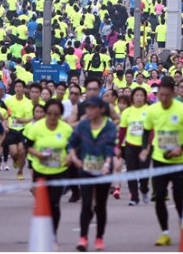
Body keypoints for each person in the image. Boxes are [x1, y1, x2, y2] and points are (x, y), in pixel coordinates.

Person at [140, 76, 183, 247]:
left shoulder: (182, 110)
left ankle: (182, 221)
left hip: (179, 160)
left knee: (178, 196)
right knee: (159, 196)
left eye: (167, 95)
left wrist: (181, 147)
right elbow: (146, 131)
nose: (164, 99)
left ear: (173, 94)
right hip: (159, 159)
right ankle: (165, 233)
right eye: (161, 95)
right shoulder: (153, 110)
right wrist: (145, 148)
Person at [68, 95, 117, 252]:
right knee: (86, 204)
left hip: (104, 171)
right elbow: (71, 143)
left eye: (92, 108)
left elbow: (110, 148)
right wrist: (74, 158)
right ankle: (83, 238)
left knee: (101, 206)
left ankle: (99, 238)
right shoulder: (82, 125)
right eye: (87, 107)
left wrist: (107, 165)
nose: (89, 110)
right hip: (86, 169)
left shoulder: (109, 127)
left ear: (101, 109)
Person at [26, 99, 74, 243]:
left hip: (59, 171)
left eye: (56, 114)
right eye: (50, 113)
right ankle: (41, 231)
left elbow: (72, 146)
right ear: (46, 113)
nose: (53, 117)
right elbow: (27, 146)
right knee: (42, 203)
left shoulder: (66, 129)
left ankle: (53, 232)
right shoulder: (37, 128)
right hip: (40, 170)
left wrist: (71, 156)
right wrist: (37, 154)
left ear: (60, 114)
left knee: (54, 202)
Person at [117, 87, 150, 205]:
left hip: (144, 147)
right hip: (130, 146)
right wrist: (118, 146)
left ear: (145, 97)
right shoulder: (127, 112)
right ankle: (134, 197)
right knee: (131, 172)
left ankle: (144, 189)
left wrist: (148, 146)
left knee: (143, 172)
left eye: (141, 95)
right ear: (132, 97)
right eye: (137, 95)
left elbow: (152, 130)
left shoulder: (149, 110)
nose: (139, 98)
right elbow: (122, 131)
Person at [4, 78, 34, 180]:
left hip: (23, 130)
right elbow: (5, 116)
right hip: (11, 129)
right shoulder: (9, 101)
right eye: (16, 87)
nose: (18, 89)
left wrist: (21, 121)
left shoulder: (29, 103)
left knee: (21, 151)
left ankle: (20, 171)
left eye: (20, 87)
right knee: (13, 152)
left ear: (24, 89)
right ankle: (15, 160)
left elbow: (30, 119)